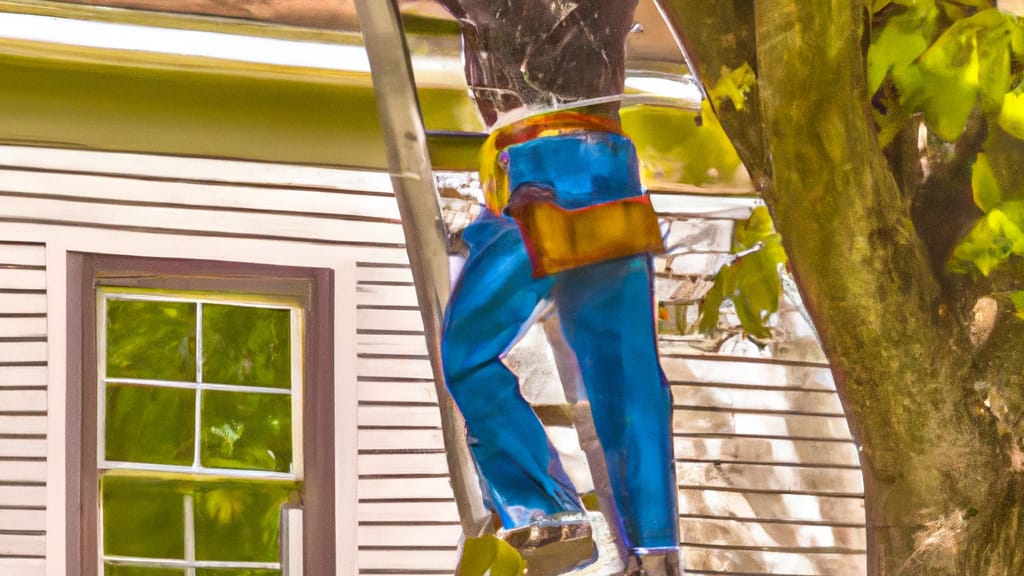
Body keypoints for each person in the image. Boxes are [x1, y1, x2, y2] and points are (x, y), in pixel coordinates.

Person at [437, 1, 682, 574]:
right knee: (626, 376)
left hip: (546, 172)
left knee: (469, 354)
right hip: (589, 174)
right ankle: (650, 548)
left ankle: (549, 516)